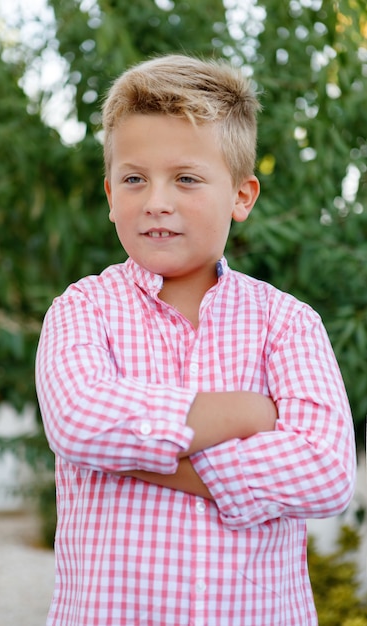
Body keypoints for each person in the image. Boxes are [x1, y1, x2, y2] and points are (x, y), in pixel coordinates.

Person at [35, 54, 356, 626]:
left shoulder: (288, 322)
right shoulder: (82, 309)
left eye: (186, 178)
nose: (157, 200)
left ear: (242, 195)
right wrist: (246, 413)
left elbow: (325, 471)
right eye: (135, 179)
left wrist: (136, 458)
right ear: (110, 195)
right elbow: (80, 420)